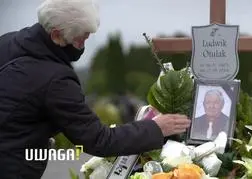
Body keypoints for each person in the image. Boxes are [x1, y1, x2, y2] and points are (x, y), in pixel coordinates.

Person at [0, 0, 190, 178]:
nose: (83, 46)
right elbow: (98, 139)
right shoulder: (57, 80)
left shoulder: (7, 42)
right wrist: (156, 128)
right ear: (56, 35)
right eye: (80, 39)